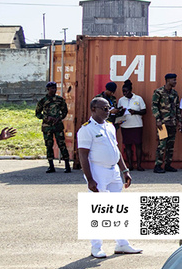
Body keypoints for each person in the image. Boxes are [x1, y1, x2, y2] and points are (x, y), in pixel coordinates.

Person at [77, 96, 142, 258]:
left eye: (108, 108)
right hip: (98, 171)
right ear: (93, 109)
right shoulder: (86, 129)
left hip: (113, 171)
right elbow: (83, 156)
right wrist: (90, 179)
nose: (108, 111)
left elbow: (116, 150)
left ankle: (122, 243)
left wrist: (125, 170)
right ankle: (96, 246)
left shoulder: (110, 126)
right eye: (104, 109)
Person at [35, 81, 70, 173]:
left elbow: (65, 111)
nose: (54, 90)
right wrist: (46, 118)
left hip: (58, 126)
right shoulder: (43, 101)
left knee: (62, 145)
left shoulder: (60, 100)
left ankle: (67, 165)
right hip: (47, 127)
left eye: (55, 88)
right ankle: (51, 166)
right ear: (48, 89)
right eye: (52, 88)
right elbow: (38, 113)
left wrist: (59, 118)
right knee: (49, 146)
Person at [152, 73, 180, 174]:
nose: (175, 82)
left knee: (170, 145)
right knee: (162, 145)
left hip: (172, 123)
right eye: (174, 80)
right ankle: (158, 165)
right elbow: (154, 107)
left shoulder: (175, 93)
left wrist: (179, 121)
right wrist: (158, 119)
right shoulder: (158, 92)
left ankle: (168, 165)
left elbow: (177, 108)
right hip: (162, 124)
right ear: (168, 80)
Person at [117, 79, 147, 172]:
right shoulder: (121, 100)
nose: (124, 93)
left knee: (138, 145)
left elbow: (144, 111)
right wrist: (121, 111)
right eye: (123, 92)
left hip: (137, 125)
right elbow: (118, 112)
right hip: (125, 125)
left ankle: (139, 165)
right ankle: (130, 165)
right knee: (128, 146)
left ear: (131, 90)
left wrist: (135, 112)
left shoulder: (138, 98)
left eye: (126, 91)